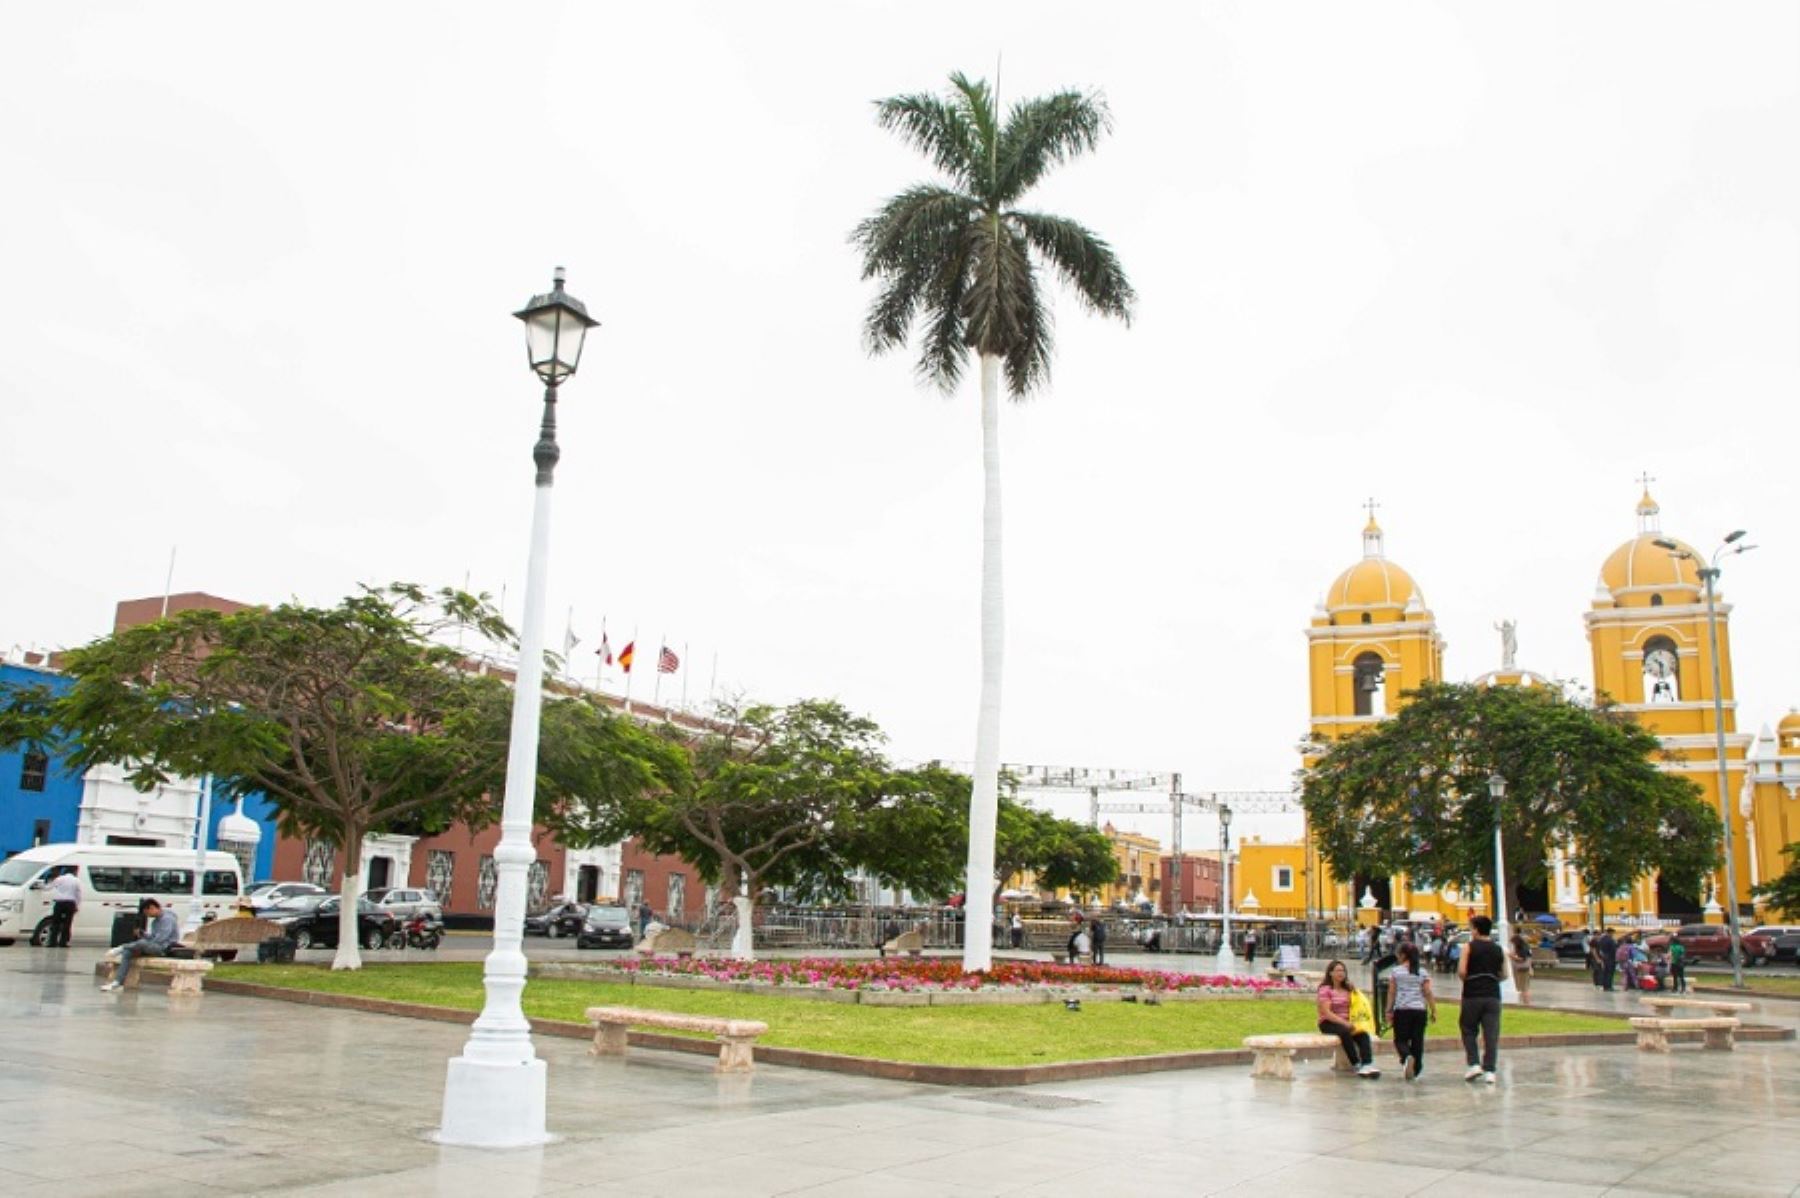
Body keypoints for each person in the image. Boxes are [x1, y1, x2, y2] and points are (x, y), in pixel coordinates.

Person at [1457, 915, 1506, 1084]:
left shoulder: (1468, 947)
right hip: (1492, 995)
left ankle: (1474, 1064)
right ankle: (1490, 1070)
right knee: (1491, 1034)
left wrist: (1470, 977)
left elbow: (1462, 971)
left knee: (1468, 1029)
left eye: (1471, 928)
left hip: (1472, 994)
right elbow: (1504, 974)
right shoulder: (1498, 949)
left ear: (1476, 930)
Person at [1316, 959, 1380, 1077]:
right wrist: (1344, 1023)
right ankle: (1355, 1063)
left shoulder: (1347, 989)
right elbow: (1326, 1012)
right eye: (1338, 971)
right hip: (1328, 1022)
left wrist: (1353, 989)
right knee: (1344, 1032)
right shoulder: (1325, 990)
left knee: (1363, 1035)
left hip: (1348, 1021)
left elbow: (1358, 1003)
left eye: (1343, 971)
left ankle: (1367, 1064)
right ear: (1330, 973)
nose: (1341, 973)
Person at [99, 898, 181, 991]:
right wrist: (143, 934)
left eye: (147, 913)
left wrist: (144, 944)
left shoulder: (167, 919)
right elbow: (153, 937)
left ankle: (121, 947)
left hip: (164, 948)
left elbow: (161, 939)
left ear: (152, 908)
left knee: (141, 944)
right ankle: (117, 982)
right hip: (154, 945)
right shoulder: (156, 921)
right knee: (127, 952)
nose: (147, 916)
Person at [1386, 940, 1437, 1080]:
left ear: (1403, 955)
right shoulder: (1422, 972)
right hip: (1419, 1010)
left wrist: (1388, 1010)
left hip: (1402, 1010)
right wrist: (1433, 1010)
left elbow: (1391, 992)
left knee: (1400, 1040)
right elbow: (1427, 992)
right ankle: (1416, 1068)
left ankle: (1406, 1056)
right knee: (1417, 1040)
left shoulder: (1396, 972)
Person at [44, 867, 81, 948]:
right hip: (70, 903)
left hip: (59, 903)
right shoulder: (76, 880)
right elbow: (78, 894)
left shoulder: (59, 879)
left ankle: (52, 942)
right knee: (67, 923)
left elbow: (48, 887)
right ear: (74, 872)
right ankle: (63, 942)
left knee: (56, 923)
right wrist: (77, 905)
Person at [1509, 931, 1534, 1006]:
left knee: (1523, 987)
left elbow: (1521, 958)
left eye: (1513, 943)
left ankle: (1526, 1003)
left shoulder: (1522, 948)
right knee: (1525, 987)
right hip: (1526, 968)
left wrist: (1512, 957)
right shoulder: (1526, 946)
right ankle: (1526, 1002)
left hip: (1522, 969)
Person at [1593, 927, 1618, 992]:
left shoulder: (1601, 939)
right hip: (1611, 958)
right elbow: (1614, 949)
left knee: (1605, 972)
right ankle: (1609, 986)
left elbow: (1599, 949)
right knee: (1610, 973)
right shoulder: (1610, 940)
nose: (1613, 934)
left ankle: (1605, 986)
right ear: (1610, 932)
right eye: (1612, 933)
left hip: (1604, 958)